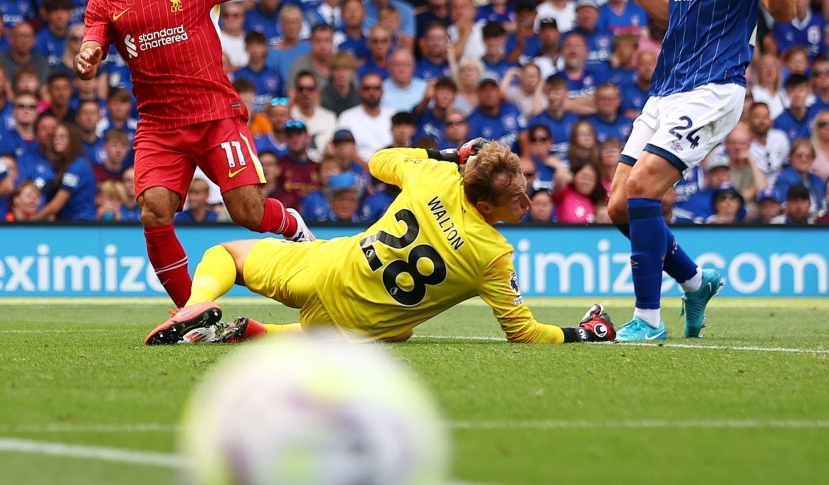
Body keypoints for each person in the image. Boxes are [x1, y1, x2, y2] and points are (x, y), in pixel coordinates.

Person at [77, 0, 372, 306]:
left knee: (247, 212)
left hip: (215, 114)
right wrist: (87, 56)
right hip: (159, 126)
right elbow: (91, 42)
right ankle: (192, 311)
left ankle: (294, 226)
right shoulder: (106, 0)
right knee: (154, 211)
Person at [603, 0, 800, 341]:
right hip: (667, 89)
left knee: (645, 186)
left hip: (714, 87)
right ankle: (695, 281)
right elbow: (674, 17)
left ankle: (648, 320)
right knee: (618, 206)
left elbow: (787, 10)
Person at [145, 141, 617, 345]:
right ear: (487, 206)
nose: (527, 198)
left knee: (225, 254)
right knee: (399, 328)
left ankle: (196, 304)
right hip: (358, 327)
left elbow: (378, 161)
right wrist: (582, 334)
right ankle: (260, 335)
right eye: (517, 196)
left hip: (328, 268)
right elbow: (523, 332)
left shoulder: (434, 174)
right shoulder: (493, 255)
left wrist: (447, 155)